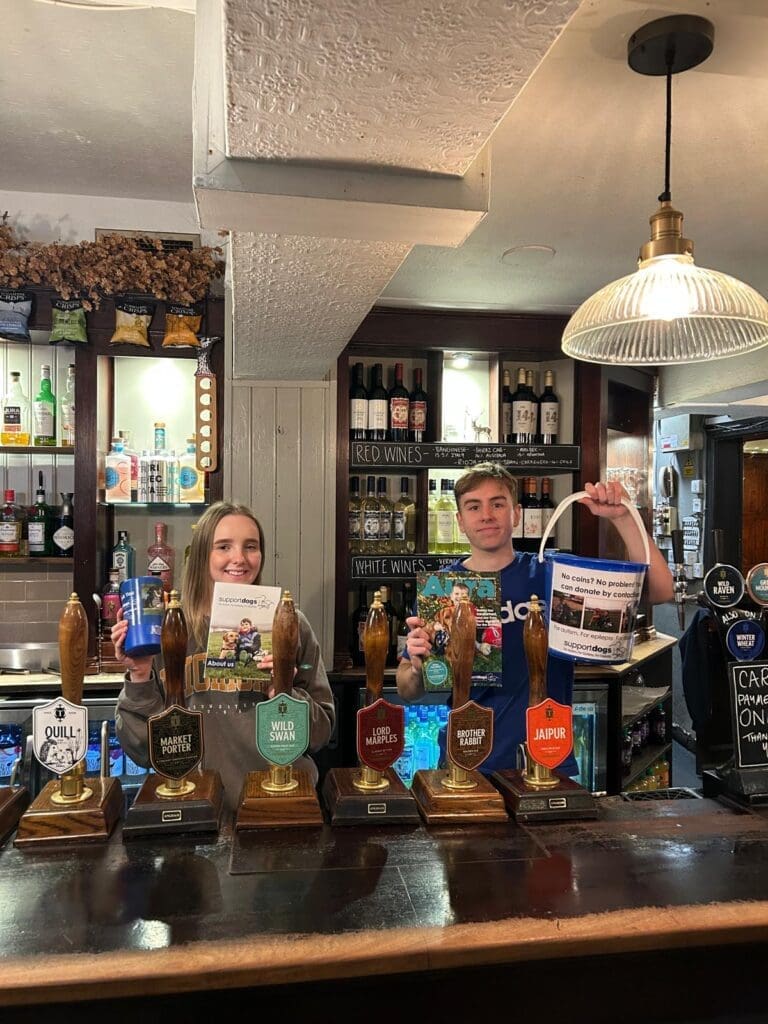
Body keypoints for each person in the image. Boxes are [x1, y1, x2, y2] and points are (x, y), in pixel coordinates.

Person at [396, 464, 674, 776]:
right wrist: (419, 667)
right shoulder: (443, 589)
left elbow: (661, 590)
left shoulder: (549, 574)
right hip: (465, 760)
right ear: (460, 521)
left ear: (515, 514)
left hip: (546, 756)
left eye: (497, 504)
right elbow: (407, 689)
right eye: (474, 506)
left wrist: (623, 517)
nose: (486, 515)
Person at [113, 501, 335, 812]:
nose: (239, 559)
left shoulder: (289, 624)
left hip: (279, 806)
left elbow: (321, 733)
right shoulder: (168, 629)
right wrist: (139, 673)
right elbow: (141, 750)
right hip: (195, 809)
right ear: (203, 554)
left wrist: (282, 691)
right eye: (224, 546)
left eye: (251, 546)